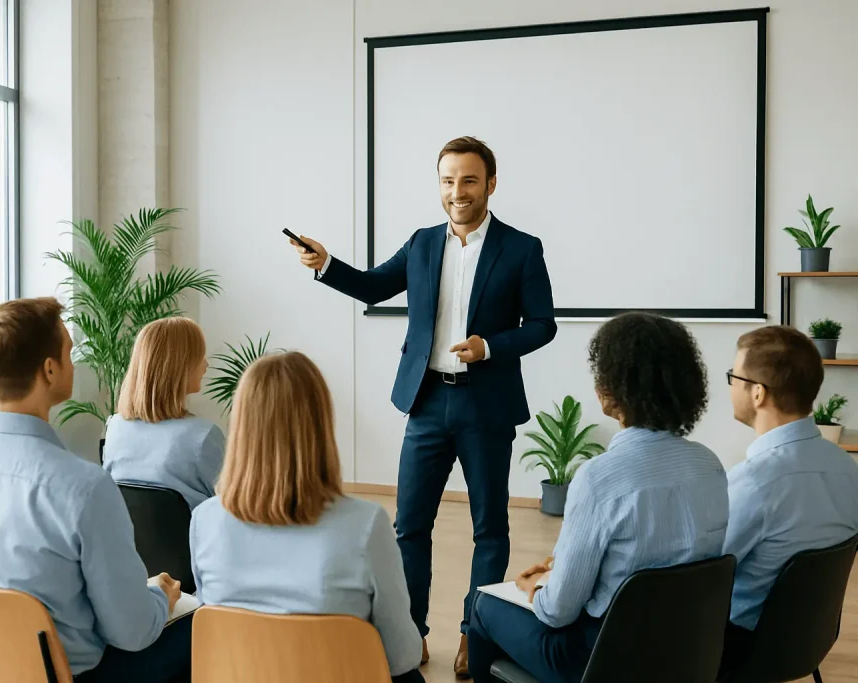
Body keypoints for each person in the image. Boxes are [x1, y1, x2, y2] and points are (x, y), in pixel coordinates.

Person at [291, 135, 557, 675]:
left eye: (468, 180)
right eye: (447, 180)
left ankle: (474, 636)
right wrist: (328, 265)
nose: (457, 191)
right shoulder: (422, 243)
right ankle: (410, 635)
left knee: (490, 529)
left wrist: (490, 346)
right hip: (427, 401)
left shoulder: (522, 248)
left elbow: (543, 325)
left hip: (487, 404)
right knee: (409, 528)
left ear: (490, 184)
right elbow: (371, 288)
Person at [0, 298, 190, 682]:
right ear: (49, 369)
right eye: (69, 353)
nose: (73, 364)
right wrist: (161, 596)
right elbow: (132, 633)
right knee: (199, 627)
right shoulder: (84, 488)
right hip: (71, 674)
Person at [466, 311, 729, 683]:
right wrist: (557, 572)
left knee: (485, 606)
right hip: (689, 653)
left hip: (605, 661)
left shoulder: (598, 477)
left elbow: (558, 612)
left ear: (610, 393)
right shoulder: (710, 465)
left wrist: (534, 589)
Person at [190, 351, 425, 682]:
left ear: (241, 424)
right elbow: (403, 656)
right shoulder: (366, 525)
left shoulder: (204, 520)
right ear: (320, 424)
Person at [720, 325, 858, 676]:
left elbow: (698, 571)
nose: (731, 385)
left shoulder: (754, 482)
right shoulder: (847, 468)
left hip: (741, 649)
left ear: (757, 394)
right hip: (809, 641)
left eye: (734, 376)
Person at [103, 317, 224, 509]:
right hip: (195, 539)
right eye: (200, 356)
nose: (206, 364)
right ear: (180, 364)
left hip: (129, 539)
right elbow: (235, 506)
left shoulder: (115, 427)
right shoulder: (204, 435)